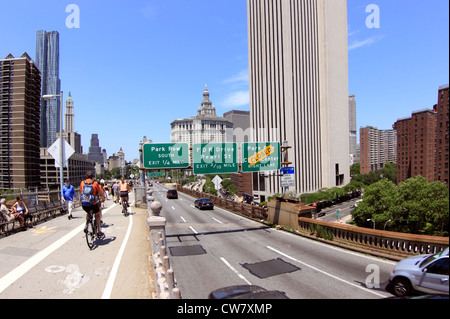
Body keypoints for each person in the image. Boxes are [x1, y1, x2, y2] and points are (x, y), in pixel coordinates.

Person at [80, 171, 105, 237]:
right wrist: (103, 198)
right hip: (92, 203)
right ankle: (99, 230)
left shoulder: (82, 183)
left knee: (88, 212)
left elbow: (81, 192)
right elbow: (100, 193)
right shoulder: (95, 183)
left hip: (84, 203)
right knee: (97, 213)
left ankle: (86, 225)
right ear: (92, 177)